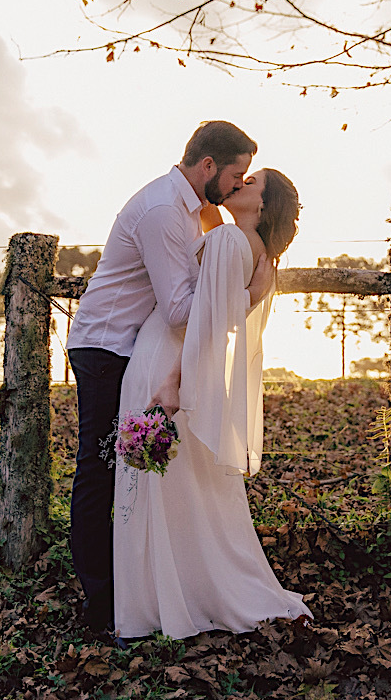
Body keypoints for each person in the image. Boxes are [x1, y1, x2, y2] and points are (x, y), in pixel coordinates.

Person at [66, 121, 274, 634]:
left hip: (132, 346)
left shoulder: (190, 212)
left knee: (126, 467)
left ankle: (135, 589)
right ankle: (100, 602)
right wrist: (243, 297)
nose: (237, 184)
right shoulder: (163, 210)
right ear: (208, 165)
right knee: (99, 468)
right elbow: (180, 310)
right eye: (236, 174)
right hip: (106, 347)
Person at [113, 168, 311, 640]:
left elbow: (203, 319)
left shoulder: (227, 240)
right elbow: (221, 313)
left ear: (262, 205)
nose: (240, 183)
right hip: (192, 366)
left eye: (252, 181)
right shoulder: (252, 249)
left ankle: (156, 606)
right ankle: (185, 593)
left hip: (167, 360)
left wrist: (171, 383)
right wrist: (248, 297)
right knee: (189, 489)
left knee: (164, 488)